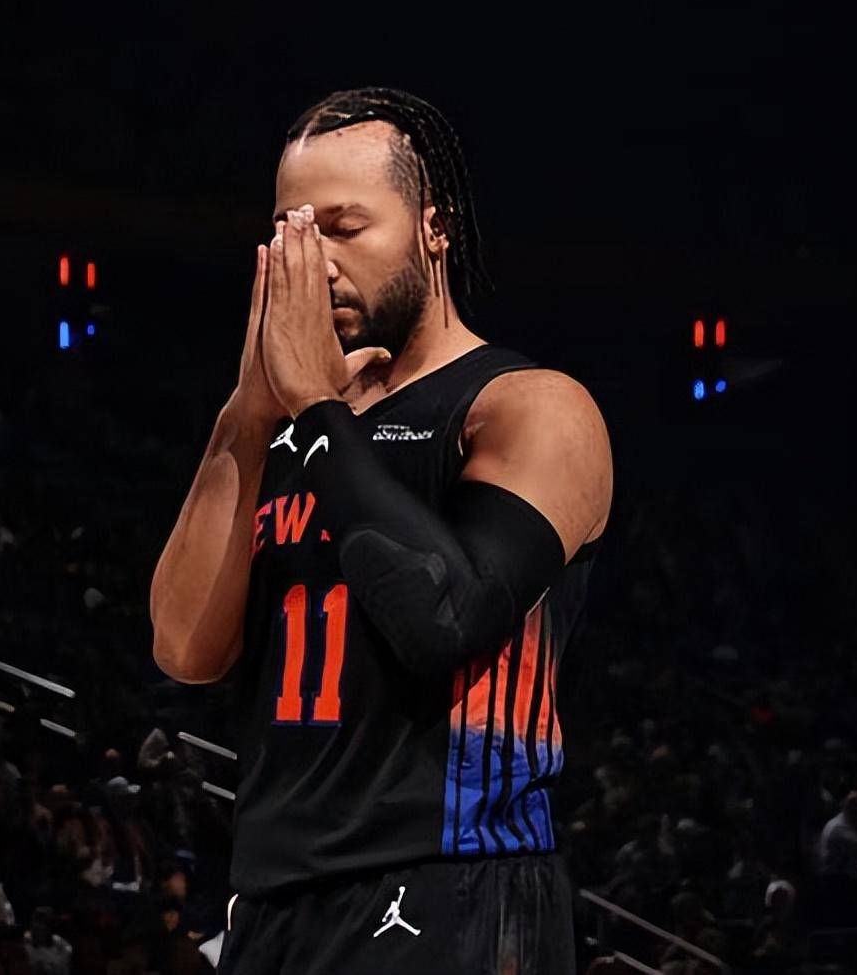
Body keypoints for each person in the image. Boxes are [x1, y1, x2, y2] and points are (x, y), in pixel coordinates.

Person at [151, 86, 613, 974]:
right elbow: (184, 648)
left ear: (434, 229)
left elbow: (445, 618)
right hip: (275, 898)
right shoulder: (288, 423)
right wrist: (249, 409)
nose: (316, 262)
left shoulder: (528, 406)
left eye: (345, 227)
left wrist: (314, 406)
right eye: (292, 233)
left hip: (454, 883)